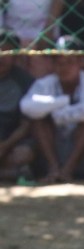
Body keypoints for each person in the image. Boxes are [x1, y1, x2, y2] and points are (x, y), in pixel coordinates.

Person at [19, 35, 84, 183]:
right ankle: (54, 169)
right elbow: (26, 106)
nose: (64, 67)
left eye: (69, 62)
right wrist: (62, 101)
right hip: (55, 151)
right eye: (59, 62)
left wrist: (58, 115)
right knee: (38, 121)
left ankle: (67, 170)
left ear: (80, 62)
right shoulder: (45, 84)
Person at [0, 28, 34, 181]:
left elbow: (27, 124)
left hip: (11, 139)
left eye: (7, 51)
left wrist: (5, 146)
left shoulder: (25, 81)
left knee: (24, 154)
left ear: (15, 55)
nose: (2, 56)